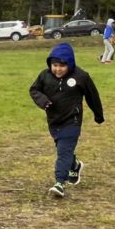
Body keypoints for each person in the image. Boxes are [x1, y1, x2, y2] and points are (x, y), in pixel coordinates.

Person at [29, 43, 104, 198]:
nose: (58, 69)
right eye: (55, 65)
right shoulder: (44, 76)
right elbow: (34, 90)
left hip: (72, 121)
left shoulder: (81, 76)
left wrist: (98, 114)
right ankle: (74, 165)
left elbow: (92, 96)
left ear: (70, 64)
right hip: (54, 121)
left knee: (63, 152)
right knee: (64, 150)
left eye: (62, 66)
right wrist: (42, 100)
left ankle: (59, 183)